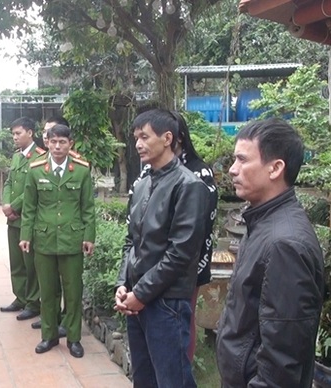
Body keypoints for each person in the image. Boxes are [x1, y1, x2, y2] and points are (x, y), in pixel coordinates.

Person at [216, 119, 324, 387]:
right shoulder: (263, 223)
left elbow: (281, 359)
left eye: (242, 160)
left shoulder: (284, 244)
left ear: (275, 168)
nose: (232, 170)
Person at [114, 109, 208, 387]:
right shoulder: (142, 185)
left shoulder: (189, 186)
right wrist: (123, 283)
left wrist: (141, 294)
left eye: (145, 136)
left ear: (167, 138)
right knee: (143, 378)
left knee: (172, 379)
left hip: (167, 302)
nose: (138, 144)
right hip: (137, 300)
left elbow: (181, 253)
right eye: (136, 138)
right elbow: (131, 241)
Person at [19, 123, 95, 358]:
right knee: (48, 290)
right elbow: (29, 208)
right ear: (47, 143)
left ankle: (73, 338)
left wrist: (89, 236)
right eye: (53, 142)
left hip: (72, 240)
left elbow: (88, 208)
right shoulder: (35, 169)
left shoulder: (81, 170)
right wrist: (25, 235)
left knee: (73, 291)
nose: (58, 146)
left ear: (70, 144)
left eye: (63, 142)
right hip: (44, 239)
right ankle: (49, 336)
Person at [0, 117, 45, 320]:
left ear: (30, 133)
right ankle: (21, 297)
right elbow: (9, 182)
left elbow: (34, 189)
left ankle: (34, 302)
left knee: (30, 263)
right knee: (16, 261)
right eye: (13, 134)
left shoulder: (40, 157)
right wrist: (6, 203)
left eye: (18, 133)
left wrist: (14, 206)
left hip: (29, 219)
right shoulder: (17, 157)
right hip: (13, 219)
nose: (14, 137)